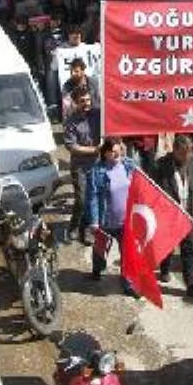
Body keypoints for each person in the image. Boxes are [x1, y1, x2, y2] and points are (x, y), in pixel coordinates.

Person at [85, 139, 139, 297]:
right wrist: (94, 220)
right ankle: (97, 269)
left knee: (127, 253)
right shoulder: (96, 171)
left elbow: (140, 185)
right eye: (113, 152)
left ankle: (128, 283)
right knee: (101, 248)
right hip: (106, 221)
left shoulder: (129, 165)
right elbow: (92, 197)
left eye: (119, 151)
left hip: (126, 221)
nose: (117, 154)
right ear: (105, 152)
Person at [153, 135, 193, 294]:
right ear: (174, 151)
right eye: (183, 153)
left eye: (190, 153)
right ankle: (165, 269)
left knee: (190, 249)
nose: (187, 157)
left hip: (188, 213)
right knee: (168, 246)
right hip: (169, 215)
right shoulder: (161, 165)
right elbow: (154, 191)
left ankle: (191, 284)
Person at [63, 89, 101, 245]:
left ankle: (86, 230)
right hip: (80, 167)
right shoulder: (70, 122)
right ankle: (73, 227)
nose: (86, 103)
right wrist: (94, 150)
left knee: (94, 198)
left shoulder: (98, 115)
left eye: (88, 100)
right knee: (82, 199)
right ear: (75, 102)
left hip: (98, 164)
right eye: (82, 101)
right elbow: (72, 146)